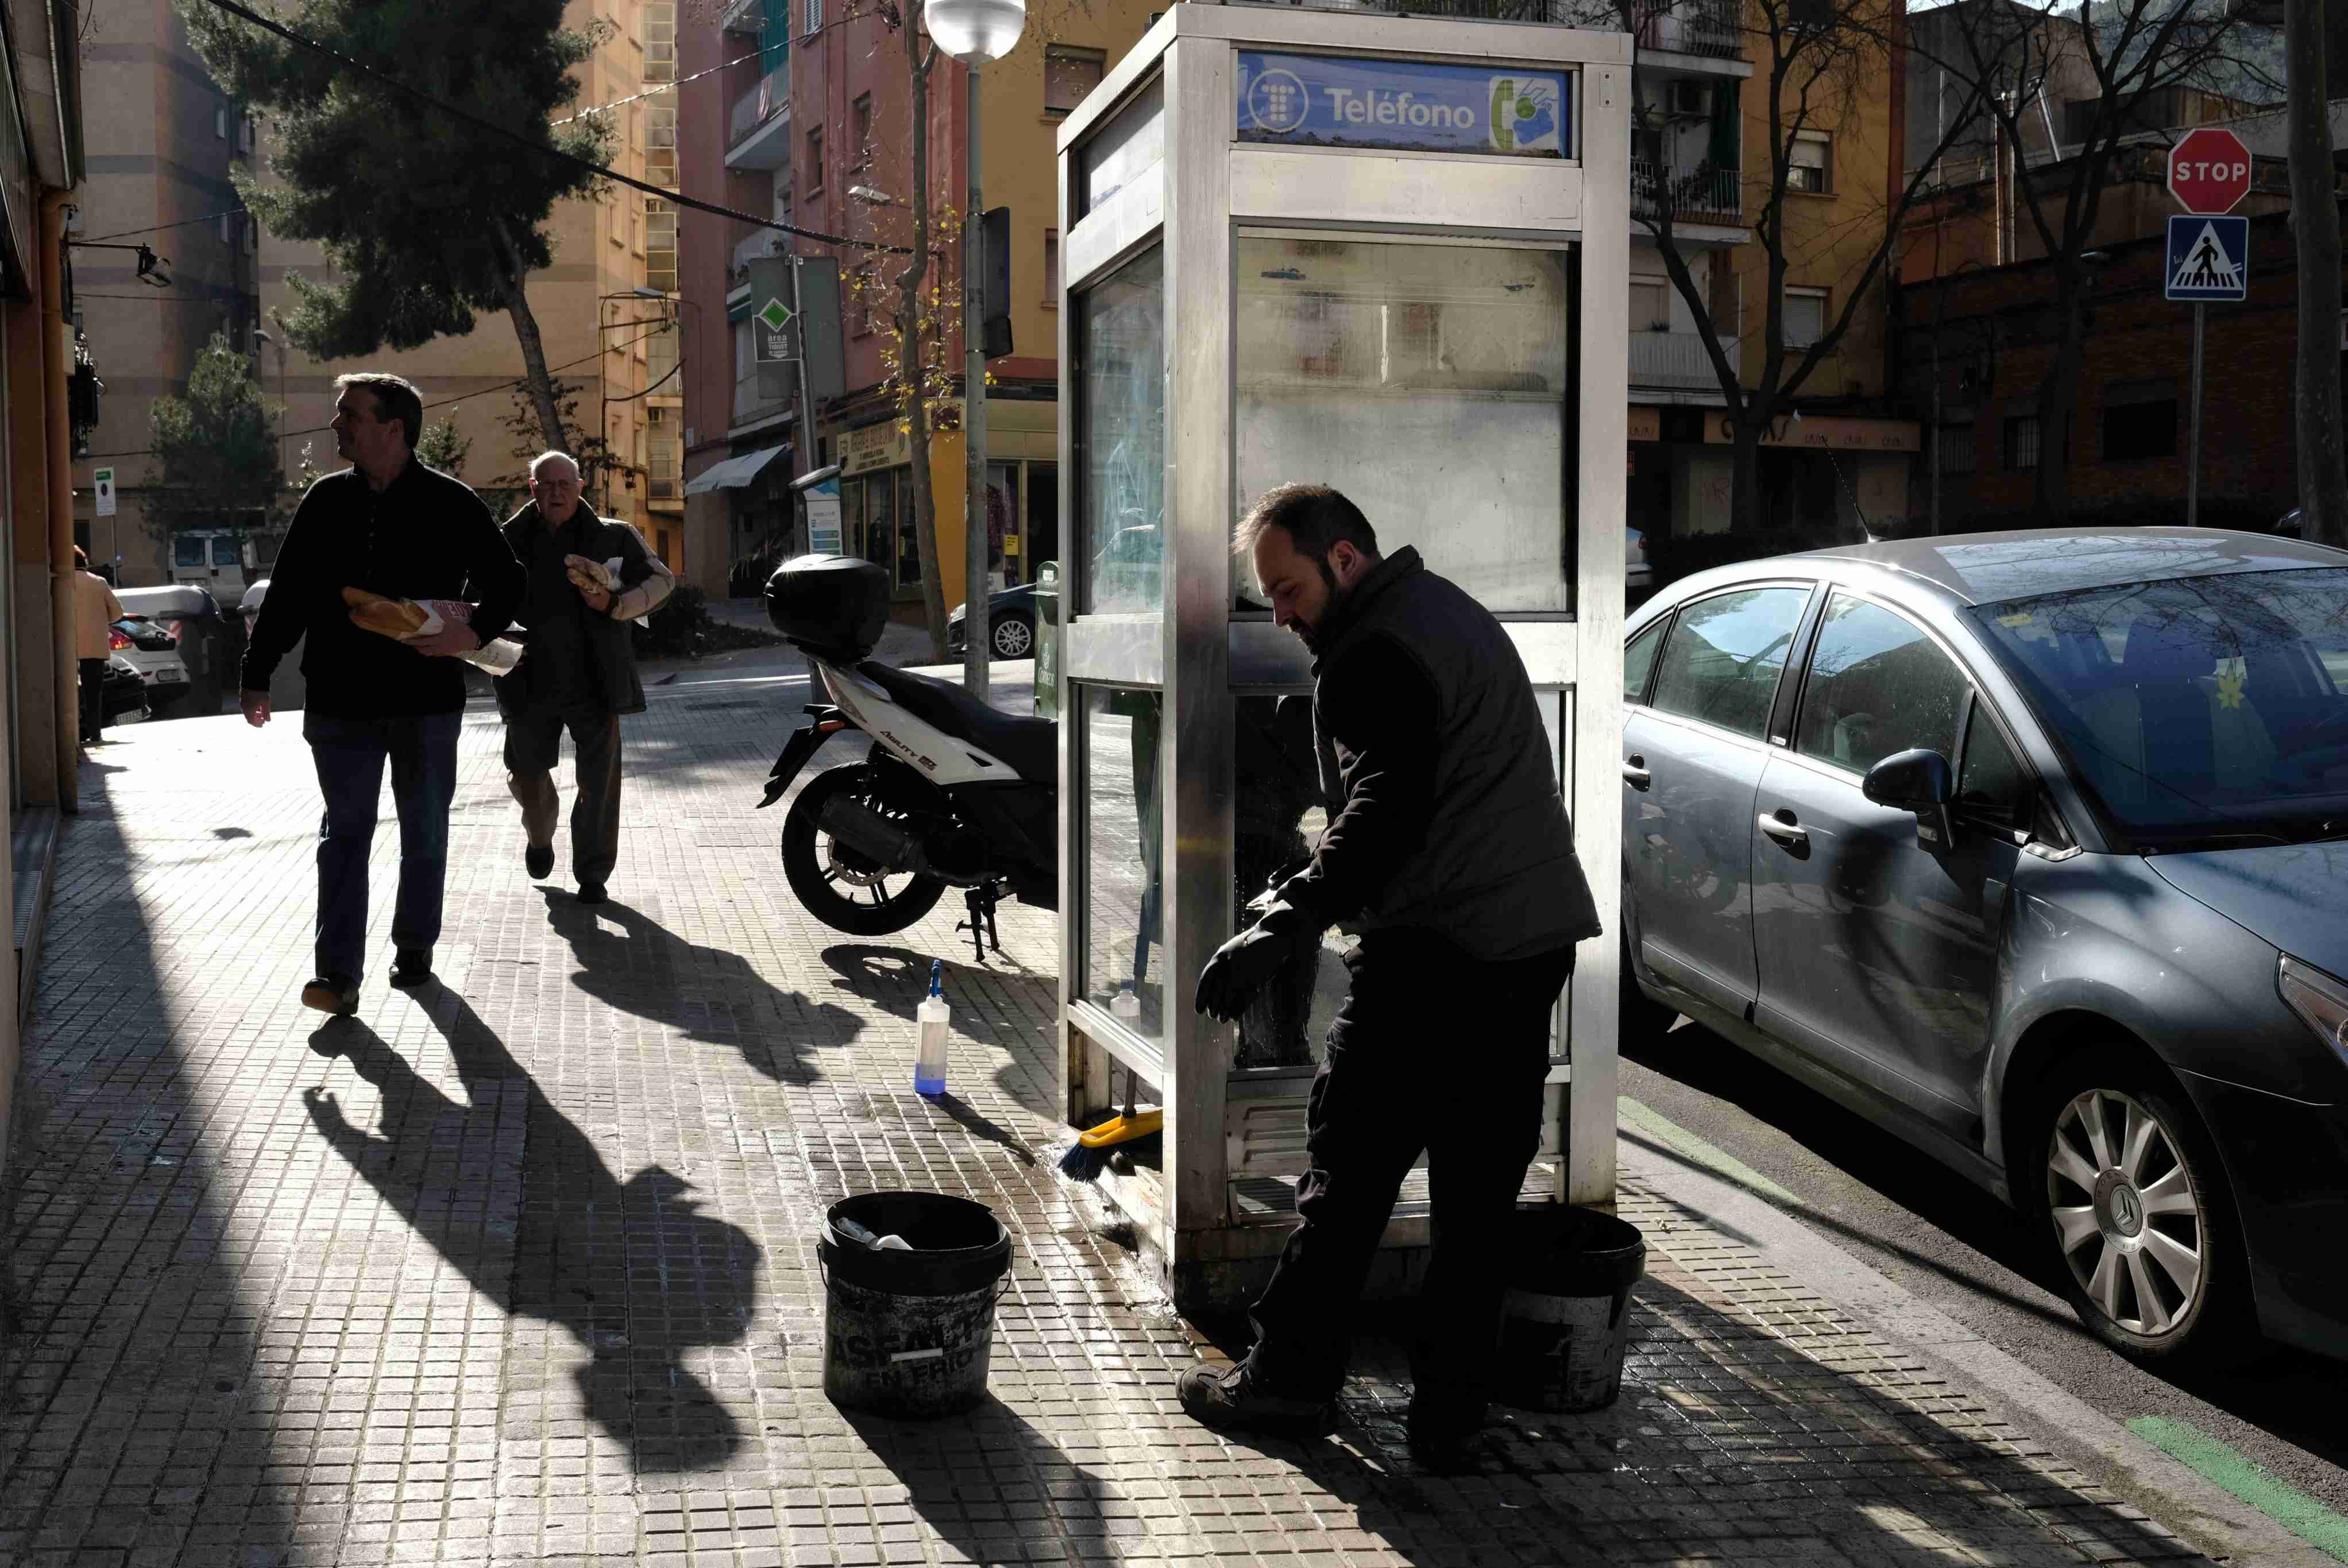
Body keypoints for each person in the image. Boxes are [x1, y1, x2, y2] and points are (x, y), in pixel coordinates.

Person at [1180, 484, 1601, 1462]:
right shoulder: (1440, 610)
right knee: (1474, 1197)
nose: (1278, 615)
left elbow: (1387, 810)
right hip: (1522, 943)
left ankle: (1286, 1386)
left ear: (1343, 562)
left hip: (1438, 951)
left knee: (1352, 1175)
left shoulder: (1373, 650)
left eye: (1286, 590)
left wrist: (1278, 925)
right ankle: (1449, 1420)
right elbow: (1419, 791)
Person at [240, 373, 525, 1014]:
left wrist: (469, 633)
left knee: (424, 832)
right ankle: (337, 976)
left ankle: (415, 946)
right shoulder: (323, 501)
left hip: (426, 703)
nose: (336, 425)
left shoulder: (452, 502)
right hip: (339, 701)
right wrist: (256, 673)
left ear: (392, 429)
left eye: (350, 415)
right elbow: (287, 595)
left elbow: (509, 581)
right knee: (344, 835)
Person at [496, 451, 673, 906]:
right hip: (526, 680)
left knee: (599, 783)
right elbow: (477, 599)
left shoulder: (614, 536)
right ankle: (540, 838)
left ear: (580, 487)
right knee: (527, 778)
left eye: (565, 483)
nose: (557, 492)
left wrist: (615, 606)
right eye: (547, 484)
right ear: (532, 488)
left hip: (596, 679)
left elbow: (661, 581)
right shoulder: (507, 540)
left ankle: (592, 873)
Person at [72, 546, 124, 745]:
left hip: (66, 646)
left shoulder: (60, 582)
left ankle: (72, 732)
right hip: (95, 645)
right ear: (85, 562)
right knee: (93, 692)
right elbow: (118, 612)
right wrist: (102, 620)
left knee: (67, 691)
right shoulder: (99, 583)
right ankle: (95, 733)